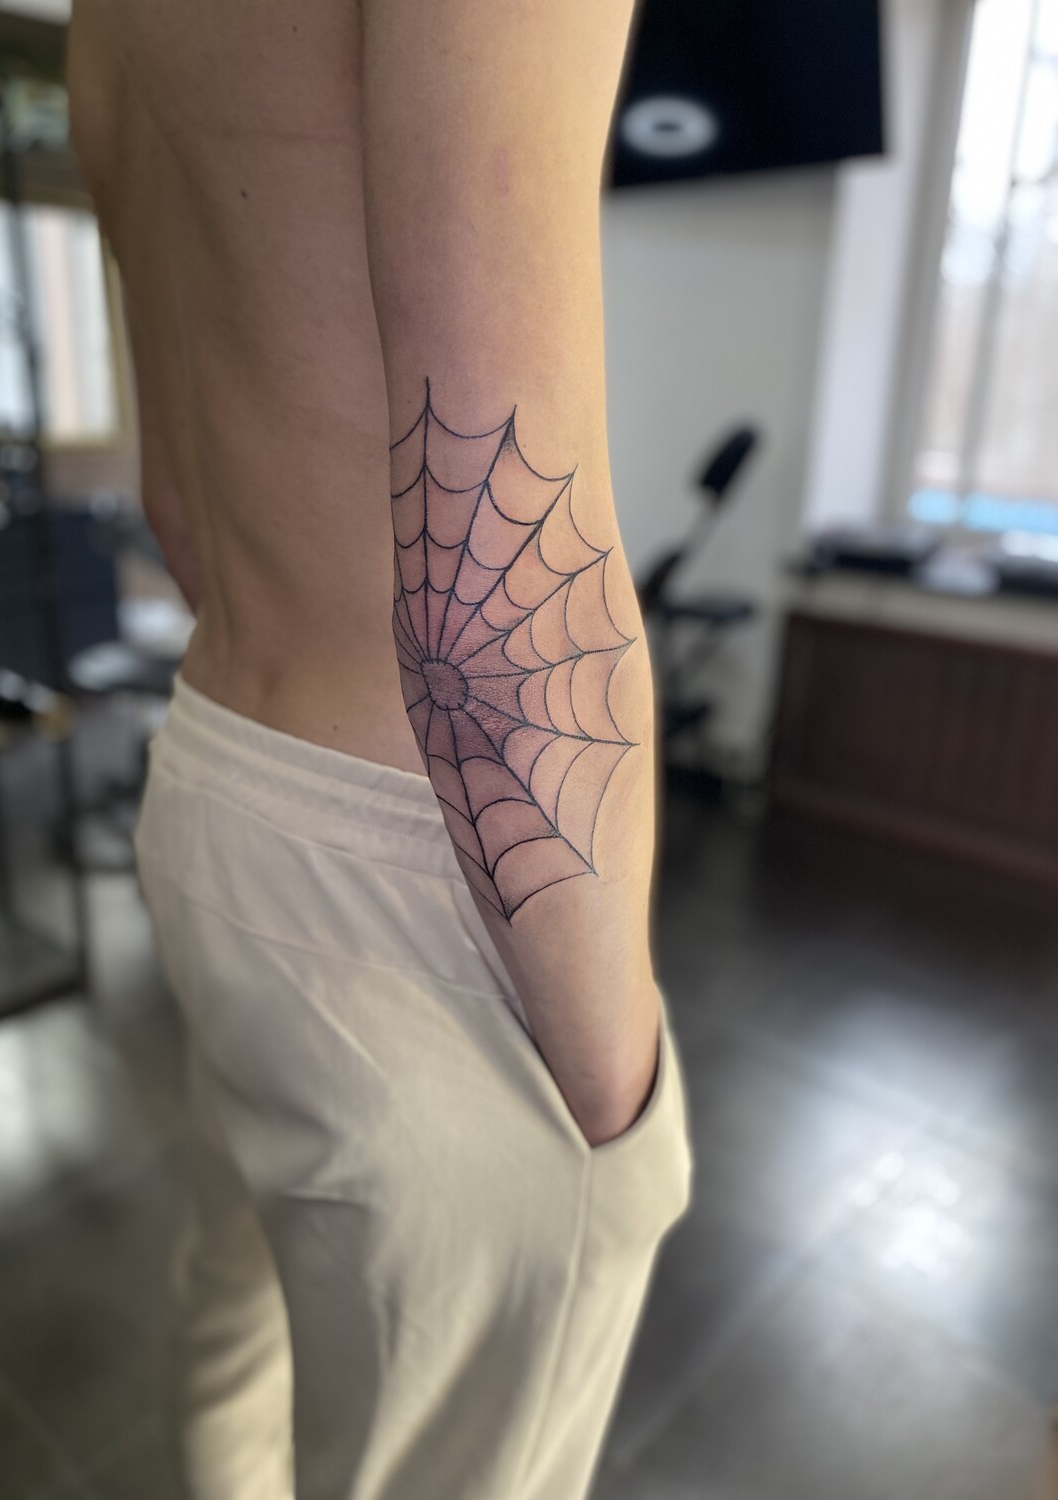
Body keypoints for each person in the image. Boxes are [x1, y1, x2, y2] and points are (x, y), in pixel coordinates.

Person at [67, 3, 693, 1496]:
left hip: (213, 764)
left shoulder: (103, 23)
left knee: (232, 1343)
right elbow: (497, 542)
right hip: (417, 877)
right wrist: (610, 1113)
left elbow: (177, 501)